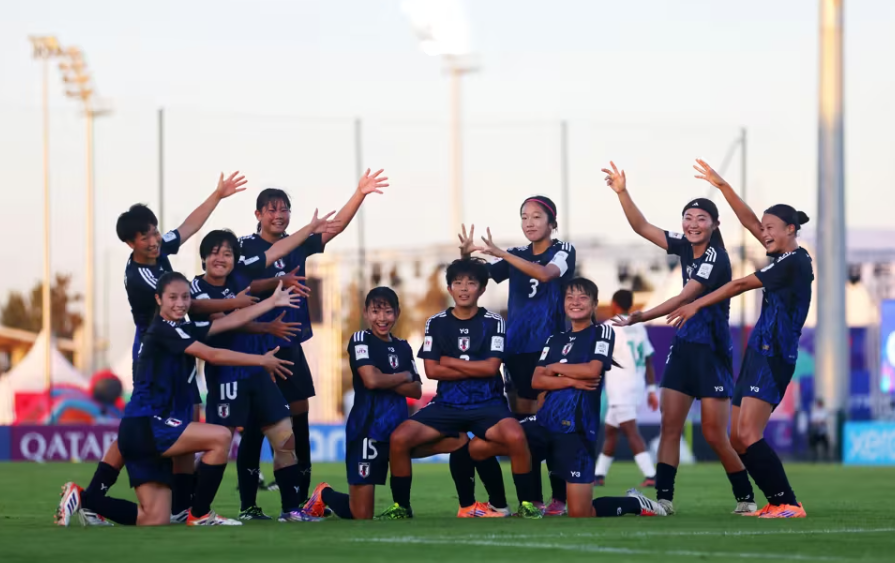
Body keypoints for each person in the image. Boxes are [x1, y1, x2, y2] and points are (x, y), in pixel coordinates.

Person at [66, 171, 248, 526]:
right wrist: (235, 303)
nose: (153, 240)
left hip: (173, 344)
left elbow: (186, 228)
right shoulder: (141, 277)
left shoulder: (157, 249)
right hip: (153, 348)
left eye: (153, 231)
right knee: (142, 421)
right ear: (130, 243)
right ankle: (93, 495)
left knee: (187, 416)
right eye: (145, 236)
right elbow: (187, 305)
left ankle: (179, 507)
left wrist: (217, 194)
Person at [56, 272, 299, 526]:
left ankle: (84, 498)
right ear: (158, 299)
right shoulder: (164, 330)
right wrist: (262, 360)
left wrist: (271, 302)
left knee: (154, 518)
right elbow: (212, 354)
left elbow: (230, 321)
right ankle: (201, 514)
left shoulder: (181, 329)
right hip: (147, 425)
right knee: (221, 437)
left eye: (185, 297)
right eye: (173, 297)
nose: (180, 303)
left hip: (144, 427)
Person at [603, 161, 756, 515]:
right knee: (669, 428)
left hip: (713, 352)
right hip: (684, 349)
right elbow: (642, 227)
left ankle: (746, 498)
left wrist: (642, 315)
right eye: (688, 217)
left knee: (716, 435)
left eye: (701, 218)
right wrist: (623, 192)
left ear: (715, 225)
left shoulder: (716, 256)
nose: (692, 223)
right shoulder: (685, 247)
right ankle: (665, 499)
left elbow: (684, 298)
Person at [667, 159, 813, 518]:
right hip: (757, 350)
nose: (763, 233)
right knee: (736, 437)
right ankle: (775, 502)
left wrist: (695, 304)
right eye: (762, 228)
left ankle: (788, 501)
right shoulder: (781, 251)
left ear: (791, 230)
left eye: (771, 228)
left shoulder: (794, 261)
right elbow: (749, 220)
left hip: (775, 354)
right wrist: (723, 187)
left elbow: (739, 284)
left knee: (748, 433)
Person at [235, 168, 388, 505]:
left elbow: (336, 226)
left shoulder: (299, 245)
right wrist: (279, 284)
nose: (278, 215)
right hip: (252, 345)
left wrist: (360, 193)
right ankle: (248, 505)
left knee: (299, 413)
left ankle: (302, 500)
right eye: (271, 209)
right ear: (258, 215)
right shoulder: (244, 247)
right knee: (253, 423)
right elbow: (242, 285)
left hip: (289, 344)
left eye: (283, 209)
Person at [469, 277, 666, 518]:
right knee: (478, 447)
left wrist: (553, 369)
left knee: (581, 512)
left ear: (594, 304)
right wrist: (570, 378)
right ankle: (513, 505)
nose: (575, 302)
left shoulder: (602, 331)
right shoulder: (554, 339)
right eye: (570, 297)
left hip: (577, 430)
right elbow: (536, 380)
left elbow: (592, 371)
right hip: (543, 423)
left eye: (582, 297)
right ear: (563, 303)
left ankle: (635, 503)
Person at [190, 216, 340, 522]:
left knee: (285, 436)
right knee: (220, 440)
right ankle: (194, 509)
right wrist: (264, 305)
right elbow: (219, 325)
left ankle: (290, 510)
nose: (221, 258)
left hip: (259, 370)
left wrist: (308, 229)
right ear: (204, 257)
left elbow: (277, 250)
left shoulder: (241, 278)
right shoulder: (197, 288)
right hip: (227, 374)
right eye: (215, 252)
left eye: (227, 253)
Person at [377, 258, 542, 519]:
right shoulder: (436, 322)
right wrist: (473, 364)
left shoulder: (494, 321)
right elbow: (432, 370)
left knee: (516, 437)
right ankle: (401, 507)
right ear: (450, 288)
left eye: (471, 283)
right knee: (398, 439)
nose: (464, 288)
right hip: (448, 404)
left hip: (487, 403)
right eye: (458, 283)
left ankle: (526, 504)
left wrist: (450, 361)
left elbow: (491, 368)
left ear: (482, 289)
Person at [458, 194, 576, 515]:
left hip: (548, 350)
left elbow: (547, 274)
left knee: (549, 424)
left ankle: (560, 499)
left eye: (536, 217)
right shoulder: (516, 254)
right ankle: (532, 499)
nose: (529, 222)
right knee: (525, 429)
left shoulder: (562, 250)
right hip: (516, 350)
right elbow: (479, 279)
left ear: (552, 223)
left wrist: (501, 254)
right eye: (524, 217)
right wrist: (466, 255)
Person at [301, 287, 422, 520]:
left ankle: (404, 507)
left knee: (452, 440)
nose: (382, 318)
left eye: (388, 312)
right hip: (366, 429)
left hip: (398, 428)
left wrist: (384, 377)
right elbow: (371, 380)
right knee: (361, 515)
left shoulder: (404, 346)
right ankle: (324, 493)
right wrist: (402, 376)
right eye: (376, 311)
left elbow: (416, 390)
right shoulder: (360, 339)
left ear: (397, 313)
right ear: (366, 313)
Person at [595, 289, 659, 488]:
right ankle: (599, 475)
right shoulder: (638, 326)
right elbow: (648, 359)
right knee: (611, 431)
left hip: (620, 386)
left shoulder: (609, 326)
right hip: (636, 385)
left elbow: (597, 356)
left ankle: (651, 475)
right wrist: (651, 390)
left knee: (630, 430)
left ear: (614, 304)